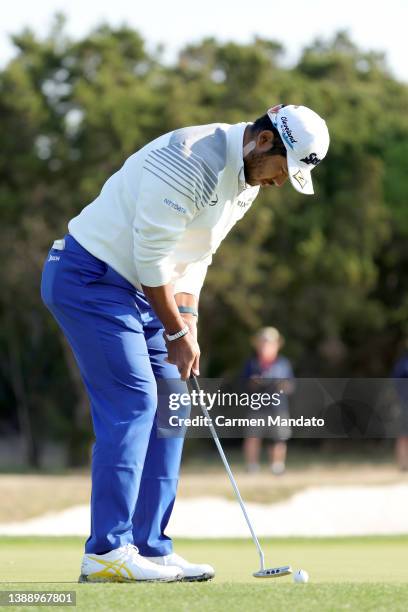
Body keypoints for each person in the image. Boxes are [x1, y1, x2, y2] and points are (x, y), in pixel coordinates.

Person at [41, 104, 329, 583]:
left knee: (173, 401)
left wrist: (188, 323)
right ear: (263, 142)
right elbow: (150, 256)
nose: (280, 183)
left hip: (141, 289)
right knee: (135, 400)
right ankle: (106, 551)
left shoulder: (246, 180)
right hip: (89, 278)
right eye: (282, 170)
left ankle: (150, 544)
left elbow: (194, 255)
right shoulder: (189, 159)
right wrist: (174, 330)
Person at [242, 327, 294, 475]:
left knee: (278, 438)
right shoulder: (251, 363)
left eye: (270, 343)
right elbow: (243, 384)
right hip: (256, 407)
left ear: (276, 345)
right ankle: (252, 467)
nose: (266, 345)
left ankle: (277, 467)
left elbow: (290, 385)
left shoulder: (284, 363)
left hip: (278, 407)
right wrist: (254, 382)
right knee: (253, 437)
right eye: (263, 342)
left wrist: (281, 384)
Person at [392, 350, 408, 471]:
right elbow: (395, 383)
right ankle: (403, 465)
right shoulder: (403, 362)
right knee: (403, 435)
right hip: (405, 404)